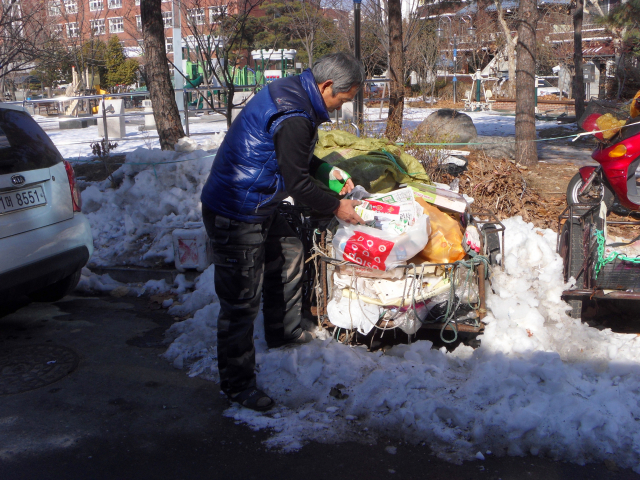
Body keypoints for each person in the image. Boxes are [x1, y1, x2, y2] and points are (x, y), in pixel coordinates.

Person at [200, 52, 366, 411]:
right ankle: (238, 385)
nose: (340, 108)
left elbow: (293, 157)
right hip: (237, 209)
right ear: (325, 87)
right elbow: (296, 182)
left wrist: (327, 171)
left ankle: (283, 329)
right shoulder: (295, 114)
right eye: (342, 99)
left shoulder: (294, 93)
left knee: (288, 248)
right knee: (241, 301)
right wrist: (337, 206)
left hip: (258, 200)